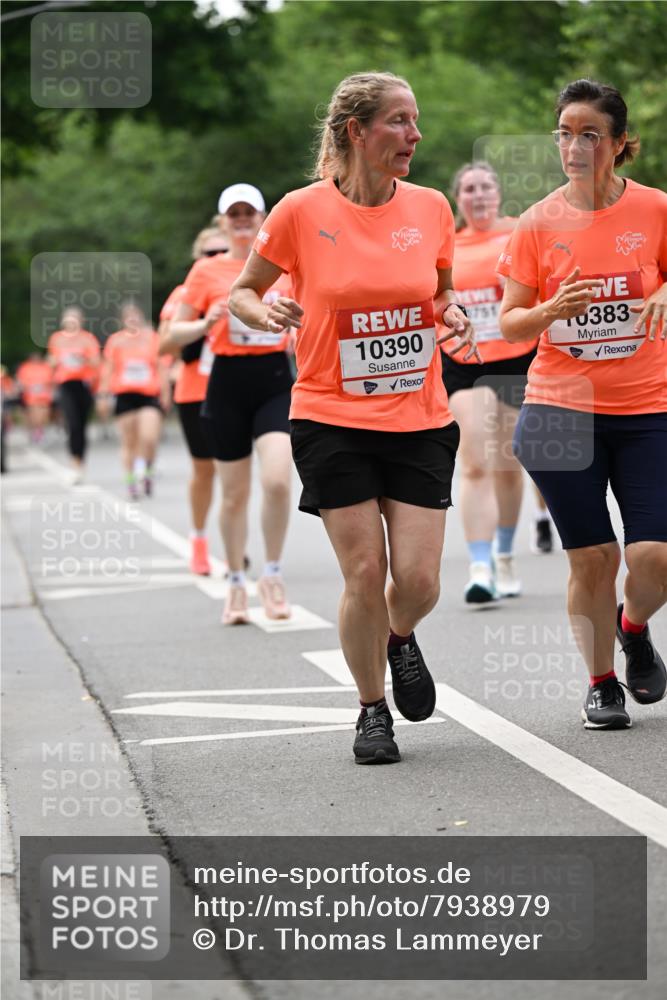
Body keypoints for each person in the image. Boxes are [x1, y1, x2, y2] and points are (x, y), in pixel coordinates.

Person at [229, 72, 479, 764]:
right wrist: (265, 310)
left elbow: (439, 289)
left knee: (420, 580)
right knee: (364, 570)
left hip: (418, 414)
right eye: (399, 122)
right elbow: (242, 294)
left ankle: (398, 637)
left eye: (415, 121)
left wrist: (451, 310)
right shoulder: (300, 212)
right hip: (329, 414)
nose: (414, 136)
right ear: (355, 132)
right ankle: (371, 709)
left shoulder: (430, 208)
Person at [498, 78, 666, 730]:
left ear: (619, 143)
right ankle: (600, 683)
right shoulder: (537, 223)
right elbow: (510, 324)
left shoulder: (654, 209)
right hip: (558, 410)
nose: (574, 146)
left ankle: (632, 626)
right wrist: (548, 309)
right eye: (564, 132)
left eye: (589, 134)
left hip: (647, 407)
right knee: (592, 558)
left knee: (652, 559)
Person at [169, 184, 294, 623]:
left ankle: (273, 575)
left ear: (262, 219)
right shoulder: (205, 273)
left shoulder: (285, 265)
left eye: (250, 212)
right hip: (225, 383)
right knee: (235, 494)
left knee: (278, 479)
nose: (242, 220)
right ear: (223, 222)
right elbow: (169, 339)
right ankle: (237, 583)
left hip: (275, 380)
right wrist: (206, 321)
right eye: (234, 214)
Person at [442, 161, 550, 604]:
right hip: (464, 360)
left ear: (499, 193)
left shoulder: (519, 232)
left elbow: (547, 284)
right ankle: (480, 564)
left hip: (517, 356)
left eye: (486, 186)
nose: (479, 194)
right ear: (458, 198)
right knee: (475, 460)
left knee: (509, 465)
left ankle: (504, 554)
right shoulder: (446, 243)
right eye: (469, 188)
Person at [159, 225, 229, 576]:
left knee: (236, 474)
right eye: (209, 254)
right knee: (204, 470)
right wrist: (202, 321)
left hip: (235, 388)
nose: (216, 259)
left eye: (222, 252)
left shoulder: (244, 285)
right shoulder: (184, 293)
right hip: (195, 391)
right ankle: (199, 540)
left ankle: (235, 548)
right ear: (198, 259)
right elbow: (163, 346)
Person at [97, 302, 170, 500]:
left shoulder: (153, 339)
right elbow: (108, 369)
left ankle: (147, 470)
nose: (133, 320)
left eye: (135, 316)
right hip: (125, 395)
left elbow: (162, 368)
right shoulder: (116, 341)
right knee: (129, 441)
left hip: (148, 395)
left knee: (149, 438)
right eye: (128, 317)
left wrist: (166, 394)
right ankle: (131, 482)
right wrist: (102, 395)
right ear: (122, 320)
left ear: (141, 317)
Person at [47, 306, 100, 482]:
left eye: (75, 318)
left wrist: (81, 358)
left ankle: (81, 461)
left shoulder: (88, 339)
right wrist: (59, 360)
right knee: (73, 424)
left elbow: (96, 362)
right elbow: (52, 361)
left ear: (81, 321)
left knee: (82, 426)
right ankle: (74, 463)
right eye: (69, 318)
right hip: (65, 385)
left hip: (83, 385)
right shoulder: (57, 339)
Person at [16, 352, 54, 445]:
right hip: (31, 396)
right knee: (34, 414)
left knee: (44, 415)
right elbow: (21, 381)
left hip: (44, 396)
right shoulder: (25, 367)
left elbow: (52, 381)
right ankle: (36, 432)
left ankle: (40, 430)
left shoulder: (45, 367)